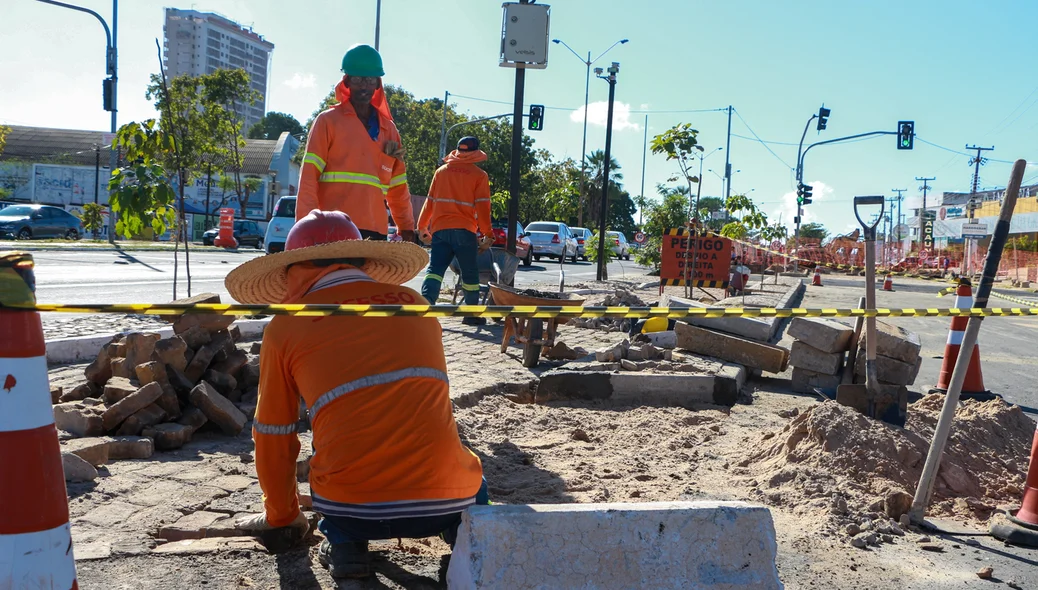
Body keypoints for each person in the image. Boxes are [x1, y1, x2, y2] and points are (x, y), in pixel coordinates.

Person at [228, 210, 486, 579]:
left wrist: (282, 517)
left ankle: (346, 547)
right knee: (466, 464)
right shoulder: (416, 306)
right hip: (448, 500)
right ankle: (470, 536)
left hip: (353, 509)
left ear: (296, 270)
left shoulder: (286, 326)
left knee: (335, 446)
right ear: (363, 260)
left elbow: (274, 433)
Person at [297, 44, 414, 242]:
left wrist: (407, 227)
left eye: (369, 80)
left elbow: (398, 186)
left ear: (378, 84)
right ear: (347, 82)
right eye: (357, 79)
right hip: (333, 227)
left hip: (375, 229)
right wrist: (305, 226)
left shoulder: (390, 130)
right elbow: (309, 178)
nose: (363, 85)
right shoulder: (328, 121)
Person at [417, 136, 494, 323]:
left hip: (440, 230)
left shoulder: (441, 172)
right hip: (465, 231)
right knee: (469, 273)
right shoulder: (479, 176)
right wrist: (488, 234)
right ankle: (470, 315)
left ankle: (426, 305)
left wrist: (422, 226)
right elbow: (483, 207)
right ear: (475, 152)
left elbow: (430, 201)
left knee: (435, 269)